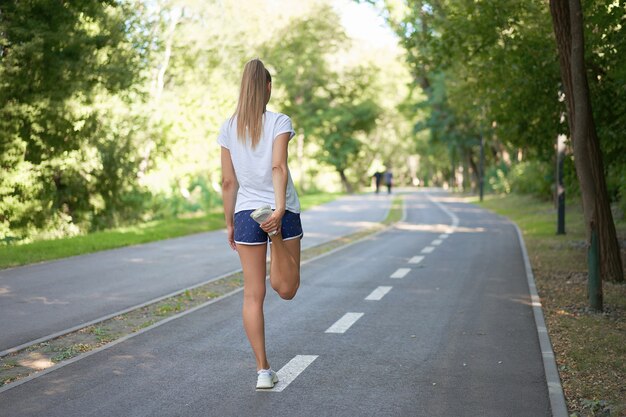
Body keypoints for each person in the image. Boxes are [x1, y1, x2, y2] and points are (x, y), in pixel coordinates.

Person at [218, 58, 302, 390]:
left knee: (253, 295)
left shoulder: (228, 127)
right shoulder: (279, 121)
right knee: (287, 289)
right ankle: (276, 237)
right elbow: (278, 166)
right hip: (282, 209)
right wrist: (279, 210)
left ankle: (263, 371)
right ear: (267, 87)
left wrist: (229, 223)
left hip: (246, 213)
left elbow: (228, 182)